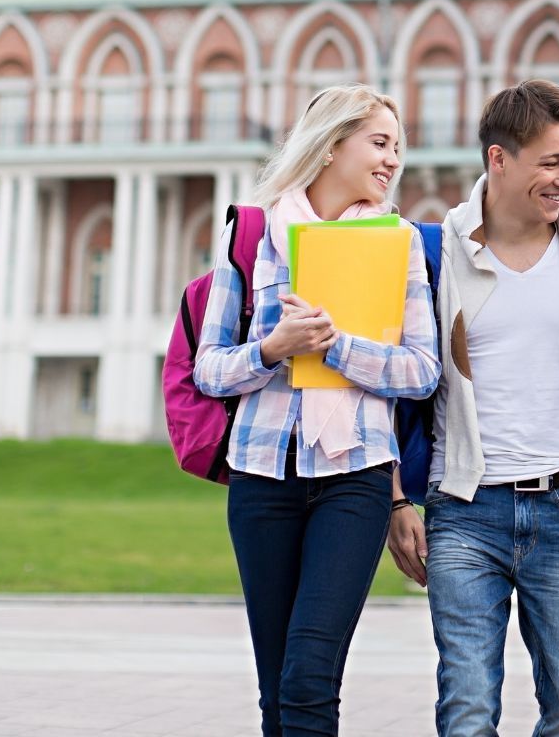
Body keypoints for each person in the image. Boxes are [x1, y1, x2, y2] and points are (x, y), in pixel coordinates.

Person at [383, 79, 559, 736]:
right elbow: (391, 387)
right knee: (467, 710)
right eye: (551, 162)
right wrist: (395, 500)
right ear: (499, 159)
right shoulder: (435, 256)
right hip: (466, 512)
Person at [194, 85, 441, 737]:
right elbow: (209, 369)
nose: (393, 161)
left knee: (310, 676)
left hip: (354, 478)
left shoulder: (398, 242)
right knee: (277, 690)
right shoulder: (251, 235)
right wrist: (273, 350)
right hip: (261, 477)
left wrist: (338, 347)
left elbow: (421, 372)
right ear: (332, 144)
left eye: (398, 147)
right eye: (380, 143)